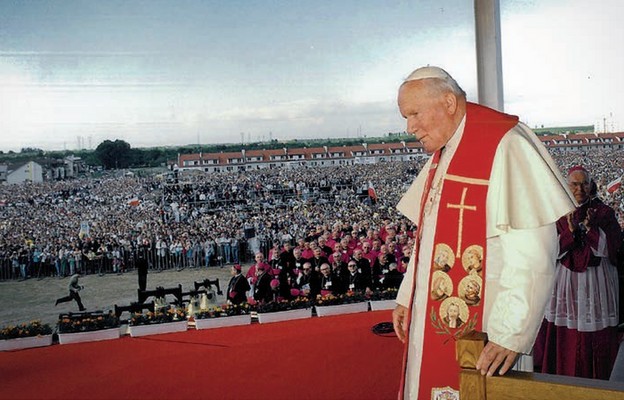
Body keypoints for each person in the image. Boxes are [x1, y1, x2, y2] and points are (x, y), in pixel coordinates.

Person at [391, 66, 575, 399]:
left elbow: (533, 252)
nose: (409, 127)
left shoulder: (505, 144)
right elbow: (428, 239)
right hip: (434, 316)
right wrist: (409, 296)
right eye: (406, 117)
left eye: (415, 114)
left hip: (489, 326)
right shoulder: (444, 151)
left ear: (448, 102)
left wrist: (510, 333)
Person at [534, 166, 621, 379]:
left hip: (597, 282)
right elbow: (547, 251)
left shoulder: (604, 213)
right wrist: (570, 232)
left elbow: (613, 248)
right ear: (566, 185)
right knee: (568, 336)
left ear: (591, 185)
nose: (580, 188)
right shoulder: (556, 212)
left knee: (594, 336)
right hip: (566, 284)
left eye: (584, 183)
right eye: (575, 184)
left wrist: (591, 230)